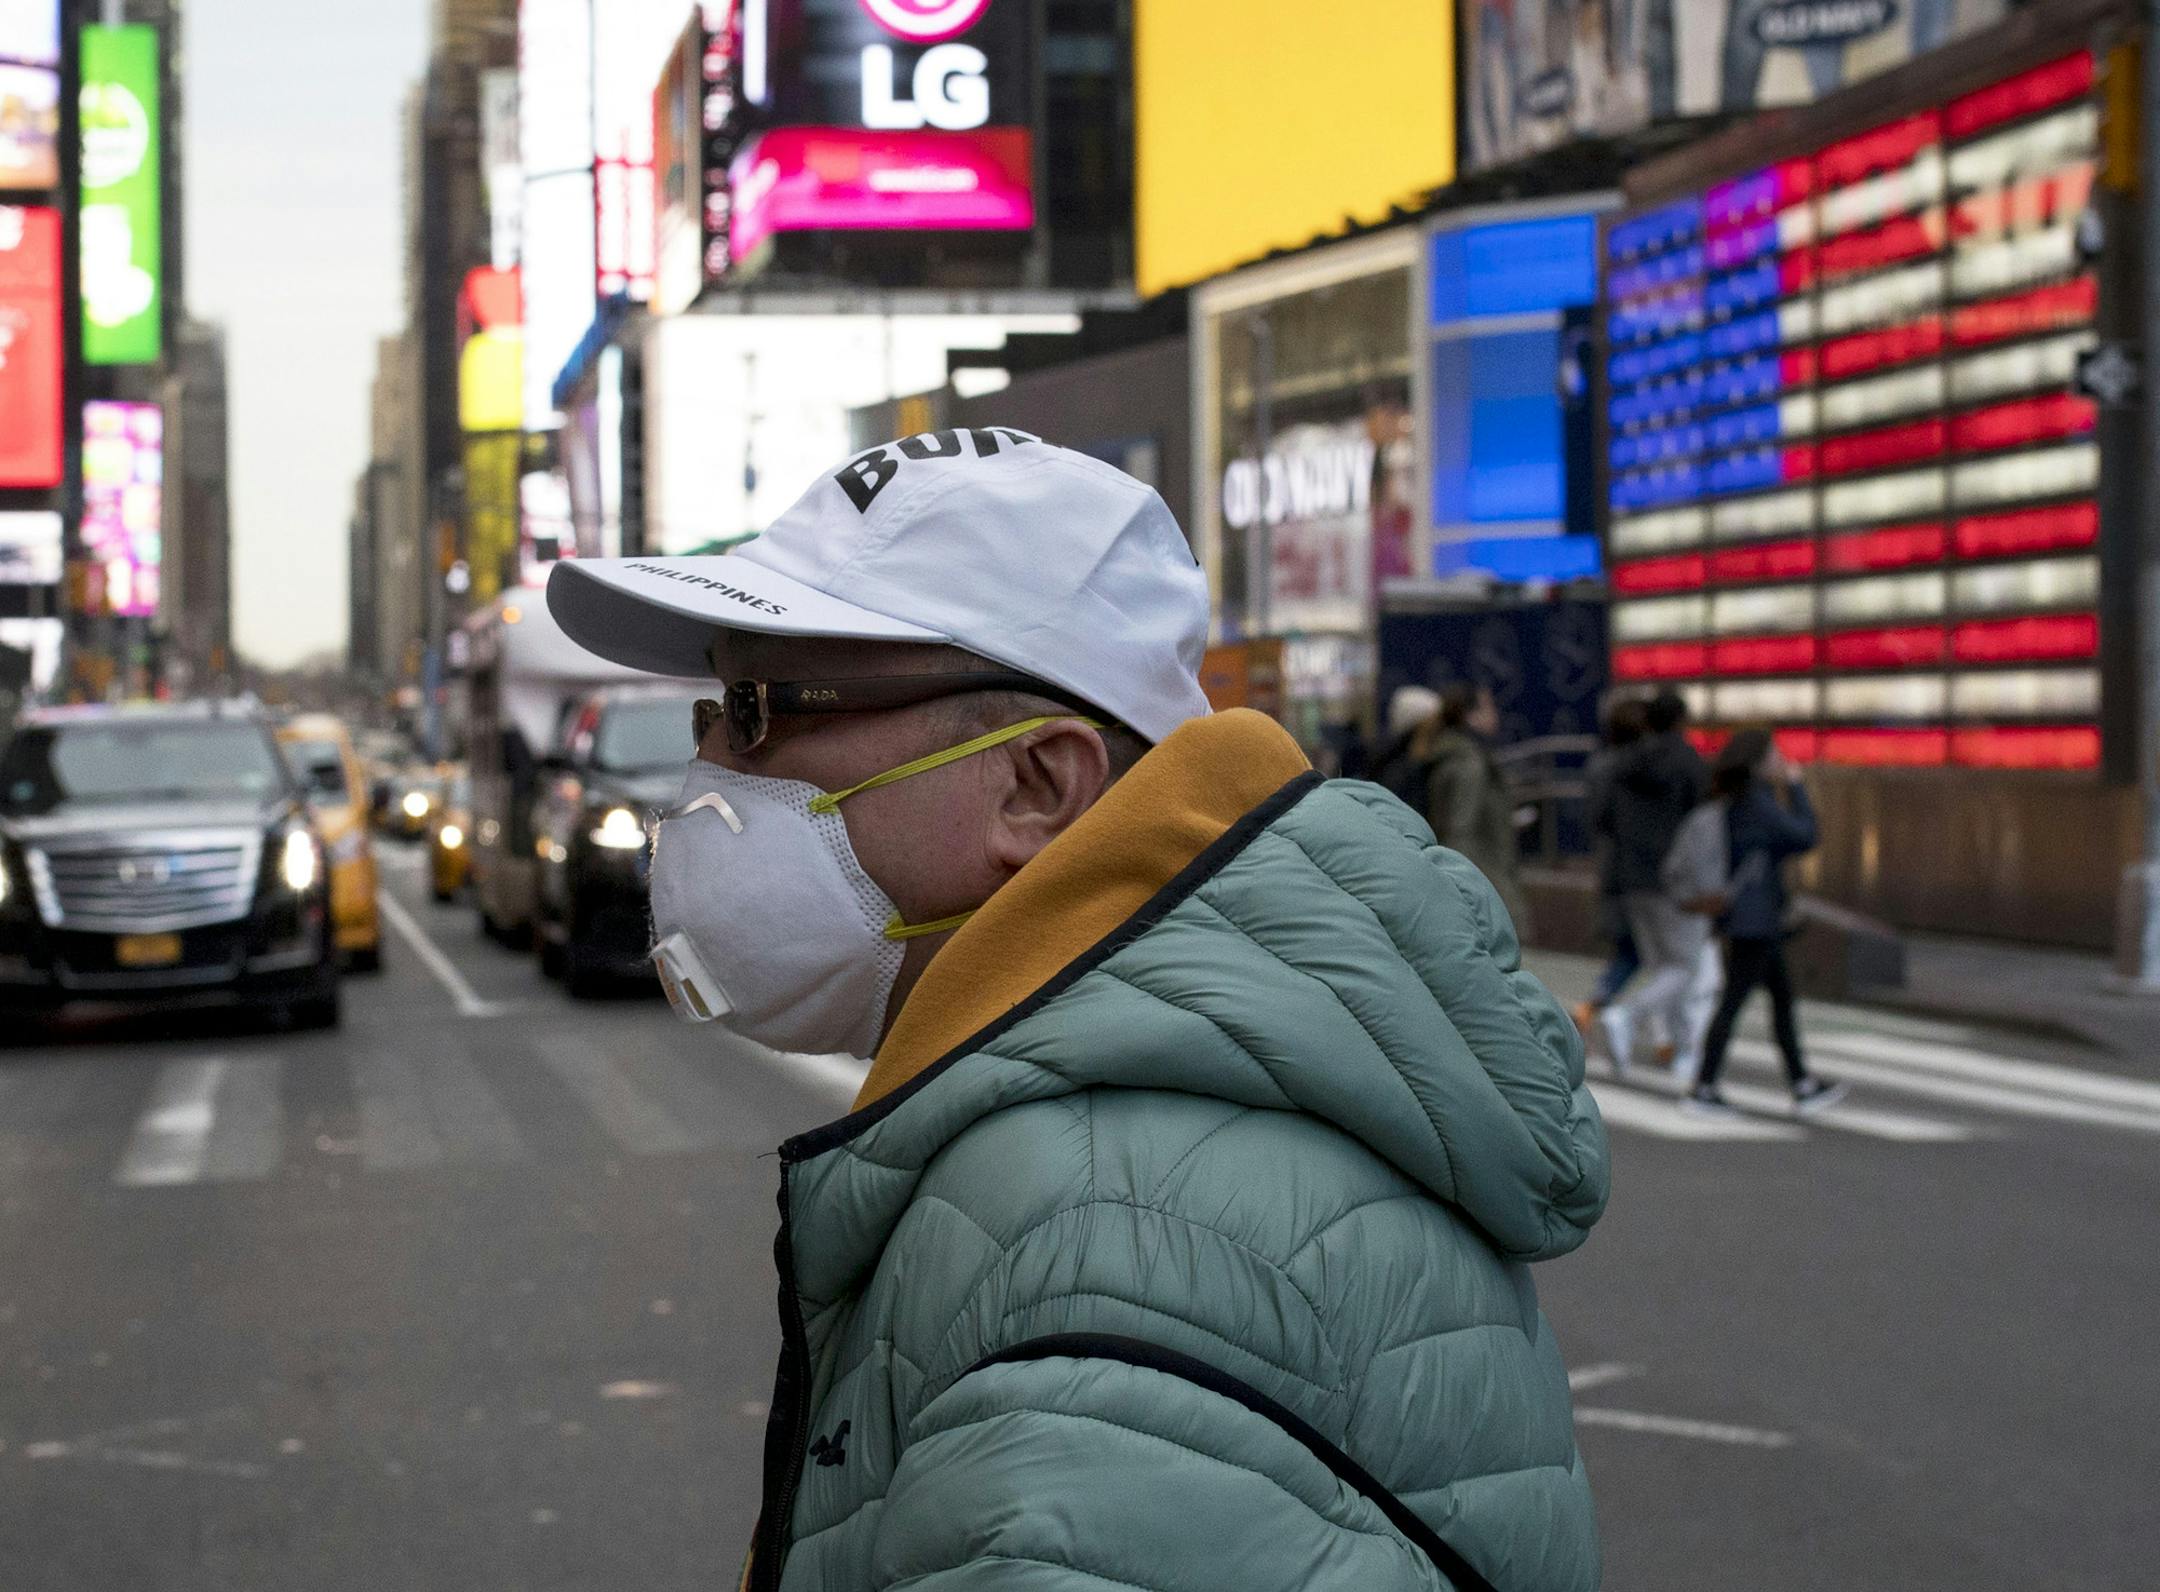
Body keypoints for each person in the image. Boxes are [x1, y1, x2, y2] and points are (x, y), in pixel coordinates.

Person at [548, 430, 1609, 1592]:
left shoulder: (1102, 1252)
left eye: (758, 707)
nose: (711, 766)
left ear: (1036, 783)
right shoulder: (1106, 1141)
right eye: (713, 711)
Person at [1687, 727, 1847, 1116]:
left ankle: (1801, 1083)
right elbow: (1804, 835)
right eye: (1776, 753)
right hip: (1753, 922)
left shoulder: (1736, 799)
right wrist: (1796, 788)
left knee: (1780, 1000)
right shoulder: (1757, 802)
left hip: (1753, 919)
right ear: (1760, 760)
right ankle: (1703, 1088)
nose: (1783, 760)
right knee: (1735, 1002)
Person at [1596, 689, 1710, 1077]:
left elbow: (1604, 818)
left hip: (1630, 877)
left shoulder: (1624, 763)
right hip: (1675, 883)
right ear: (1681, 720)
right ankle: (1628, 1015)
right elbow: (1703, 826)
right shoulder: (1691, 764)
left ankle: (1681, 1050)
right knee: (1683, 967)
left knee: (1663, 968)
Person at [1419, 682, 1532, 936]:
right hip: (1484, 879)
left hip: (1482, 874)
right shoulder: (1469, 763)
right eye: (1488, 708)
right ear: (1471, 716)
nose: (1495, 716)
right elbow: (1461, 829)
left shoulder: (1452, 754)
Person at [1577, 693, 1649, 1036]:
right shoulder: (1635, 768)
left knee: (1637, 950)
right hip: (1636, 872)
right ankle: (1603, 1005)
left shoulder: (1600, 764)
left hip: (1611, 866)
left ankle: (1602, 1005)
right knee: (1646, 952)